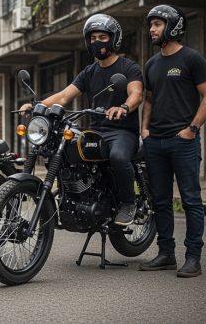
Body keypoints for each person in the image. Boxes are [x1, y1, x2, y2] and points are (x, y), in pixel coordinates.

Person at [19, 14, 144, 226]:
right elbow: (65, 96)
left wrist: (123, 107)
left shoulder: (128, 67)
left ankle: (128, 203)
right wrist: (38, 105)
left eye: (102, 37)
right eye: (93, 38)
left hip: (122, 131)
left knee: (118, 157)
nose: (97, 42)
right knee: (67, 152)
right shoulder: (89, 72)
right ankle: (79, 200)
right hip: (96, 131)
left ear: (113, 39)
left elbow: (136, 94)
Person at [139, 4, 206, 278]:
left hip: (183, 141)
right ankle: (166, 254)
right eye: (151, 25)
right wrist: (145, 130)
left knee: (191, 200)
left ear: (173, 26)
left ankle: (193, 258)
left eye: (158, 24)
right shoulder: (151, 64)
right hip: (155, 142)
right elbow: (148, 100)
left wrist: (192, 129)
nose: (152, 29)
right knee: (160, 201)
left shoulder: (192, 59)